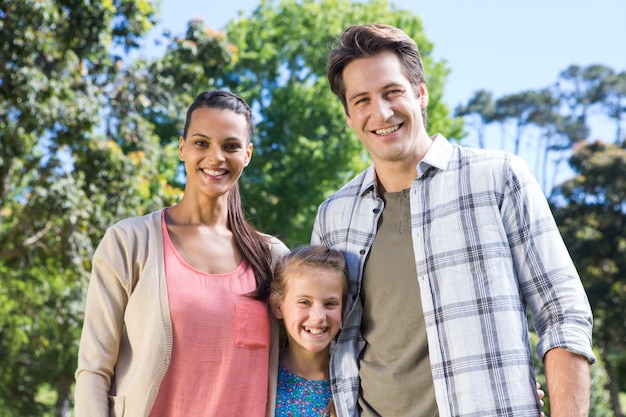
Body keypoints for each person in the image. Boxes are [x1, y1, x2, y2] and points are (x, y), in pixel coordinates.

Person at [311, 24, 595, 417]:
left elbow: (562, 314)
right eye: (362, 100)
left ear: (421, 93)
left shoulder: (498, 178)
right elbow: (320, 341)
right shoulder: (334, 216)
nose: (381, 112)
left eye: (393, 92)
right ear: (348, 116)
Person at [74, 90, 289, 417]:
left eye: (230, 146)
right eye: (202, 143)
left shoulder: (272, 259)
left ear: (247, 154)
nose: (215, 157)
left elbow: (303, 358)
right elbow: (94, 368)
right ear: (182, 148)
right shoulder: (129, 243)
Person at [269, 245, 349, 417]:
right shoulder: (263, 373)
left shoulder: (353, 381)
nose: (318, 317)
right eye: (305, 302)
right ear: (277, 305)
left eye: (330, 304)